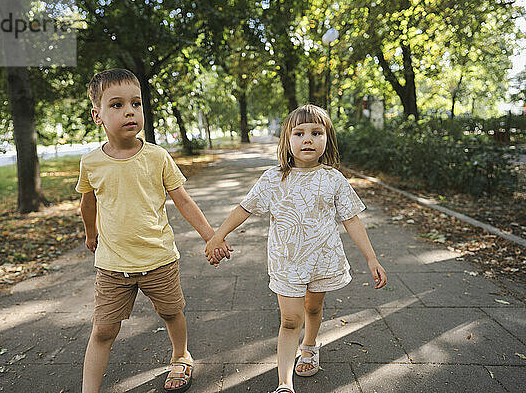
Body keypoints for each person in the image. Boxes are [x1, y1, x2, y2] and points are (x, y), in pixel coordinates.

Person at [205, 104, 387, 393]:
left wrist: (372, 258)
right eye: (299, 133)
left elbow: (352, 220)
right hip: (286, 261)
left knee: (313, 308)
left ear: (327, 139)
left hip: (321, 261)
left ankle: (310, 345)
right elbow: (244, 208)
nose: (308, 139)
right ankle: (284, 383)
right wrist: (218, 235)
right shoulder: (273, 179)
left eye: (316, 132)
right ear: (287, 141)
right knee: (290, 319)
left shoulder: (333, 179)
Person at [76, 68, 230, 393]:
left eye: (136, 103)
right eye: (116, 105)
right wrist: (90, 234)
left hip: (158, 259)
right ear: (97, 115)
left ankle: (181, 355)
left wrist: (211, 236)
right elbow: (87, 204)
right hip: (112, 266)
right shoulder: (91, 163)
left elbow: (184, 202)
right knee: (103, 330)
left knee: (172, 313)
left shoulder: (157, 157)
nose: (129, 111)